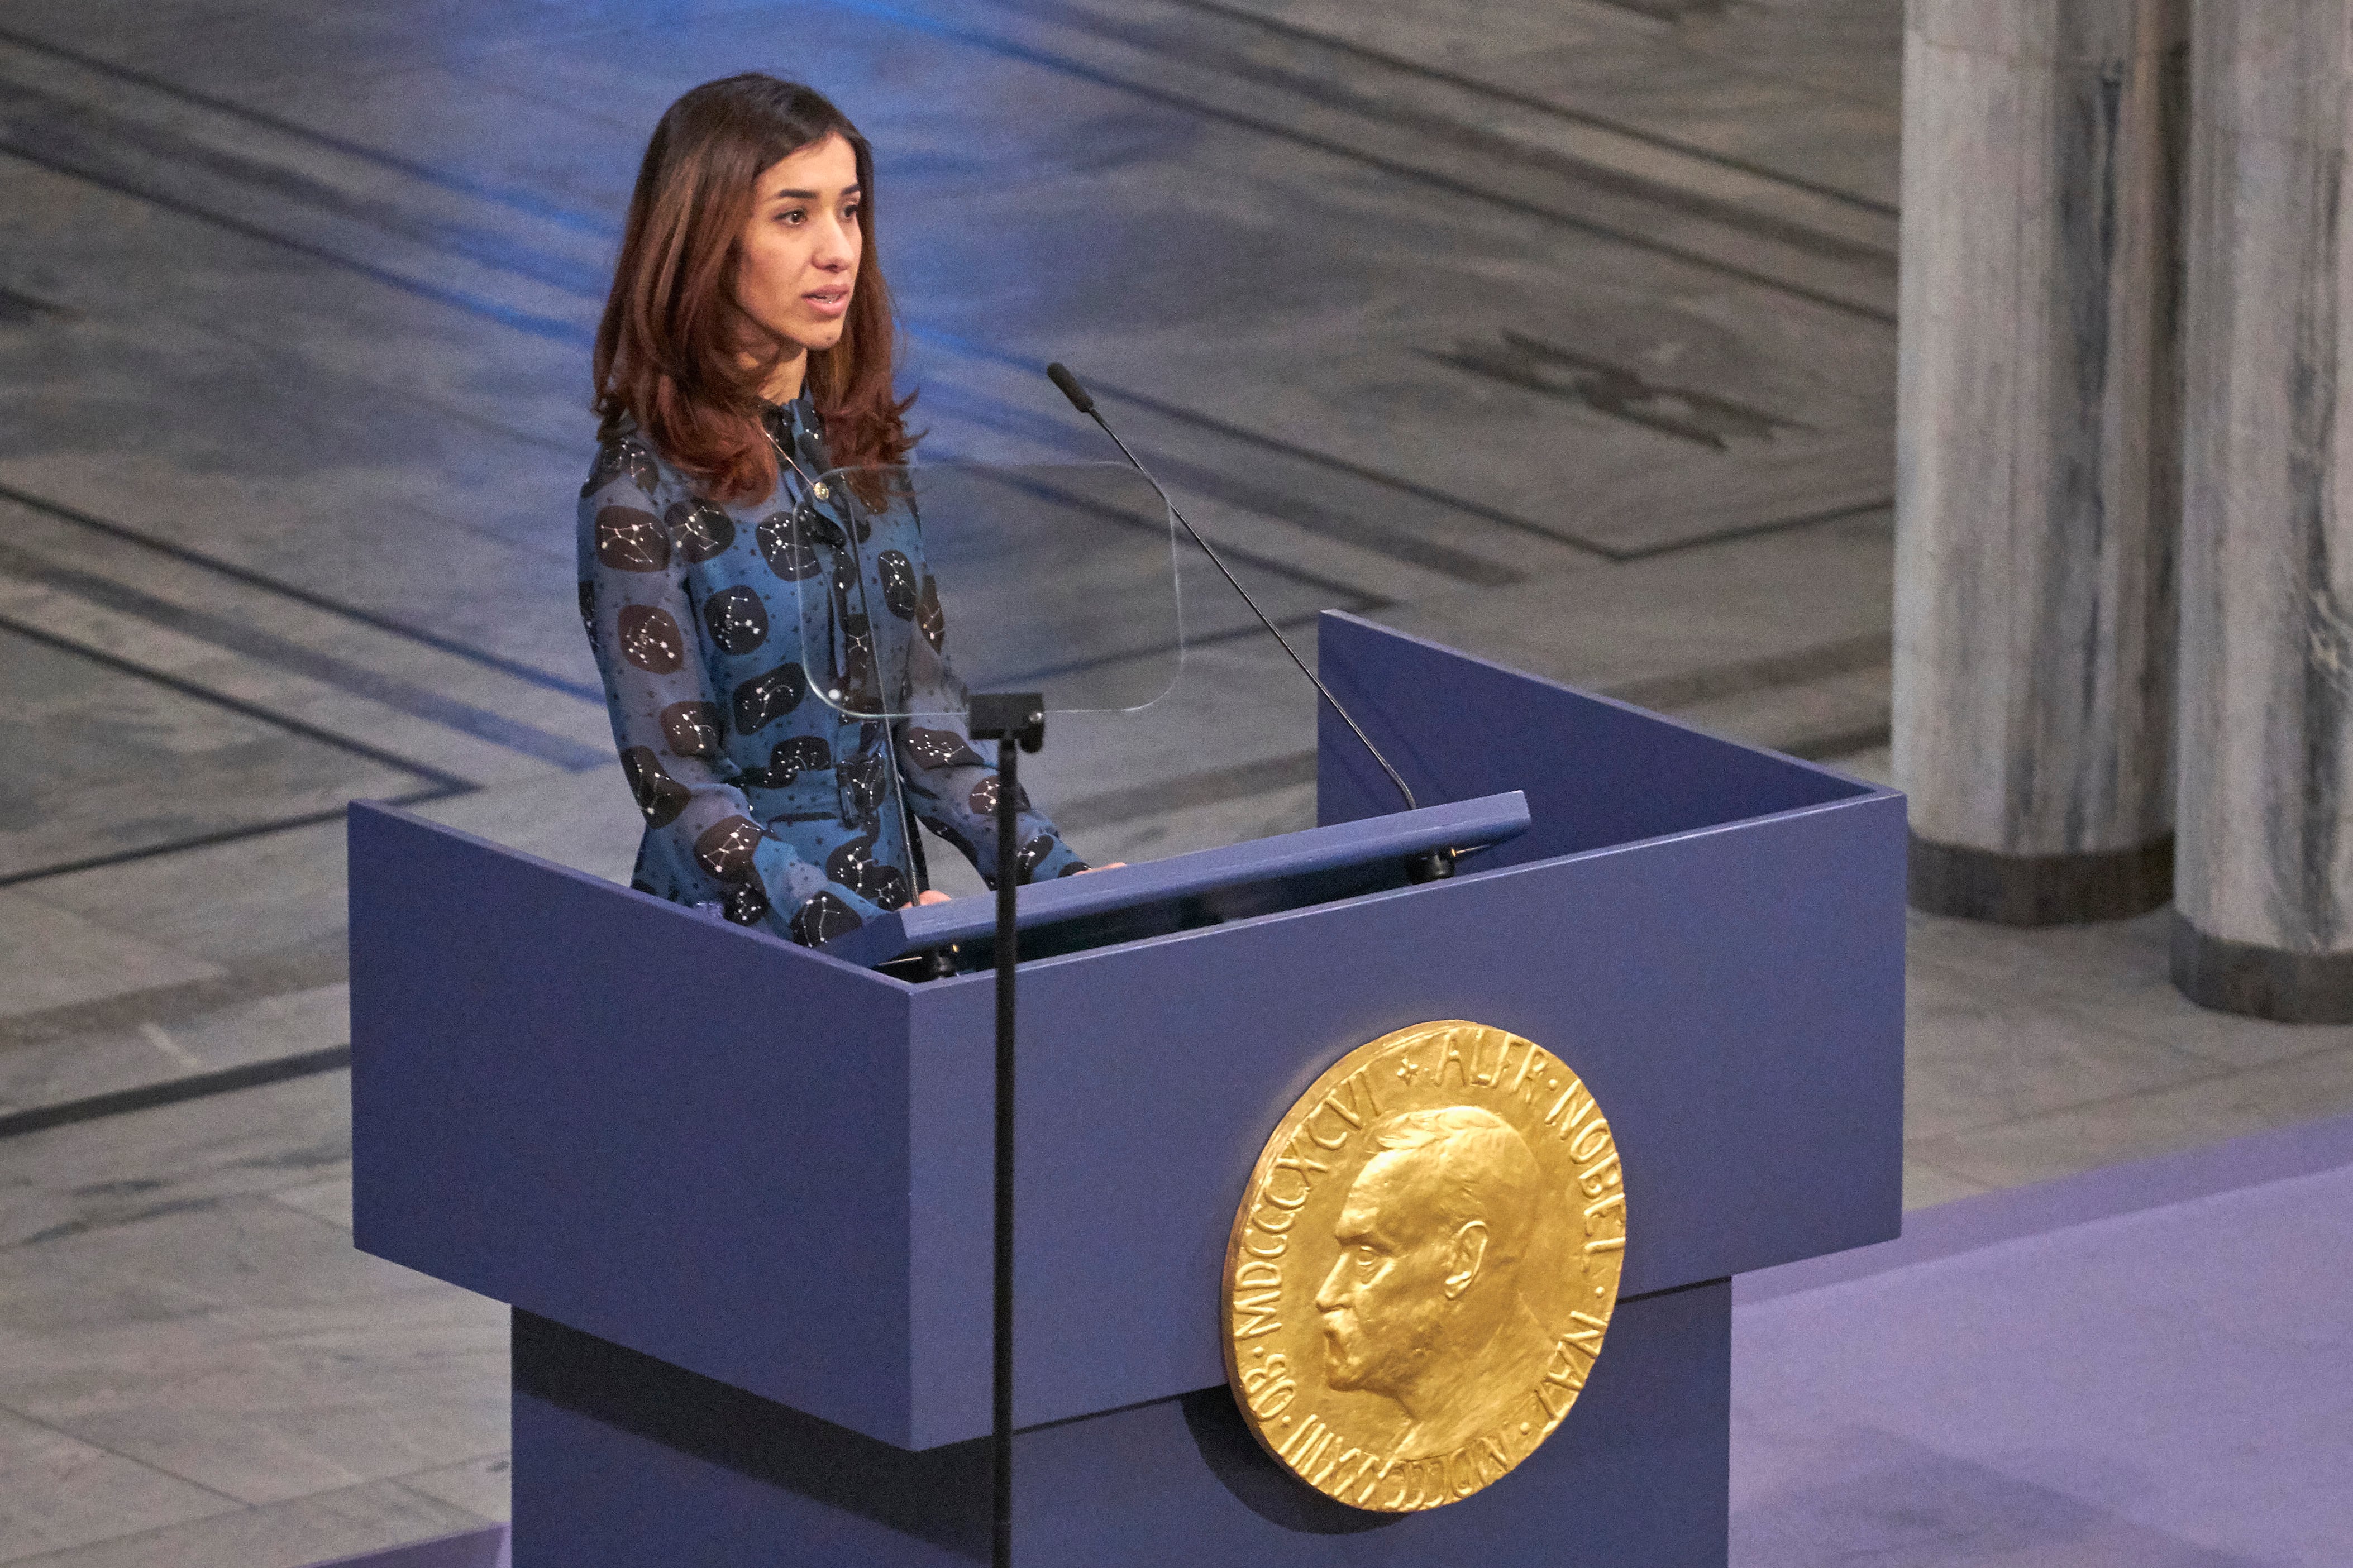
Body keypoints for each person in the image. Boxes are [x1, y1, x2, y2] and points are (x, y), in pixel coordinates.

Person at [579, 74, 1097, 947]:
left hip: (902, 937)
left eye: (849, 211)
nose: (839, 250)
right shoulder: (639, 492)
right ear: (705, 241)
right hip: (740, 945)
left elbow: (928, 735)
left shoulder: (862, 455)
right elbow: (683, 794)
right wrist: (863, 931)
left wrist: (1063, 883)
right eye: (794, 216)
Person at [1314, 1107, 1558, 1460]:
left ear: (1463, 1260)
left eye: (1368, 1256)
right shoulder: (1427, 1438)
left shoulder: (1506, 1400)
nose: (1326, 1295)